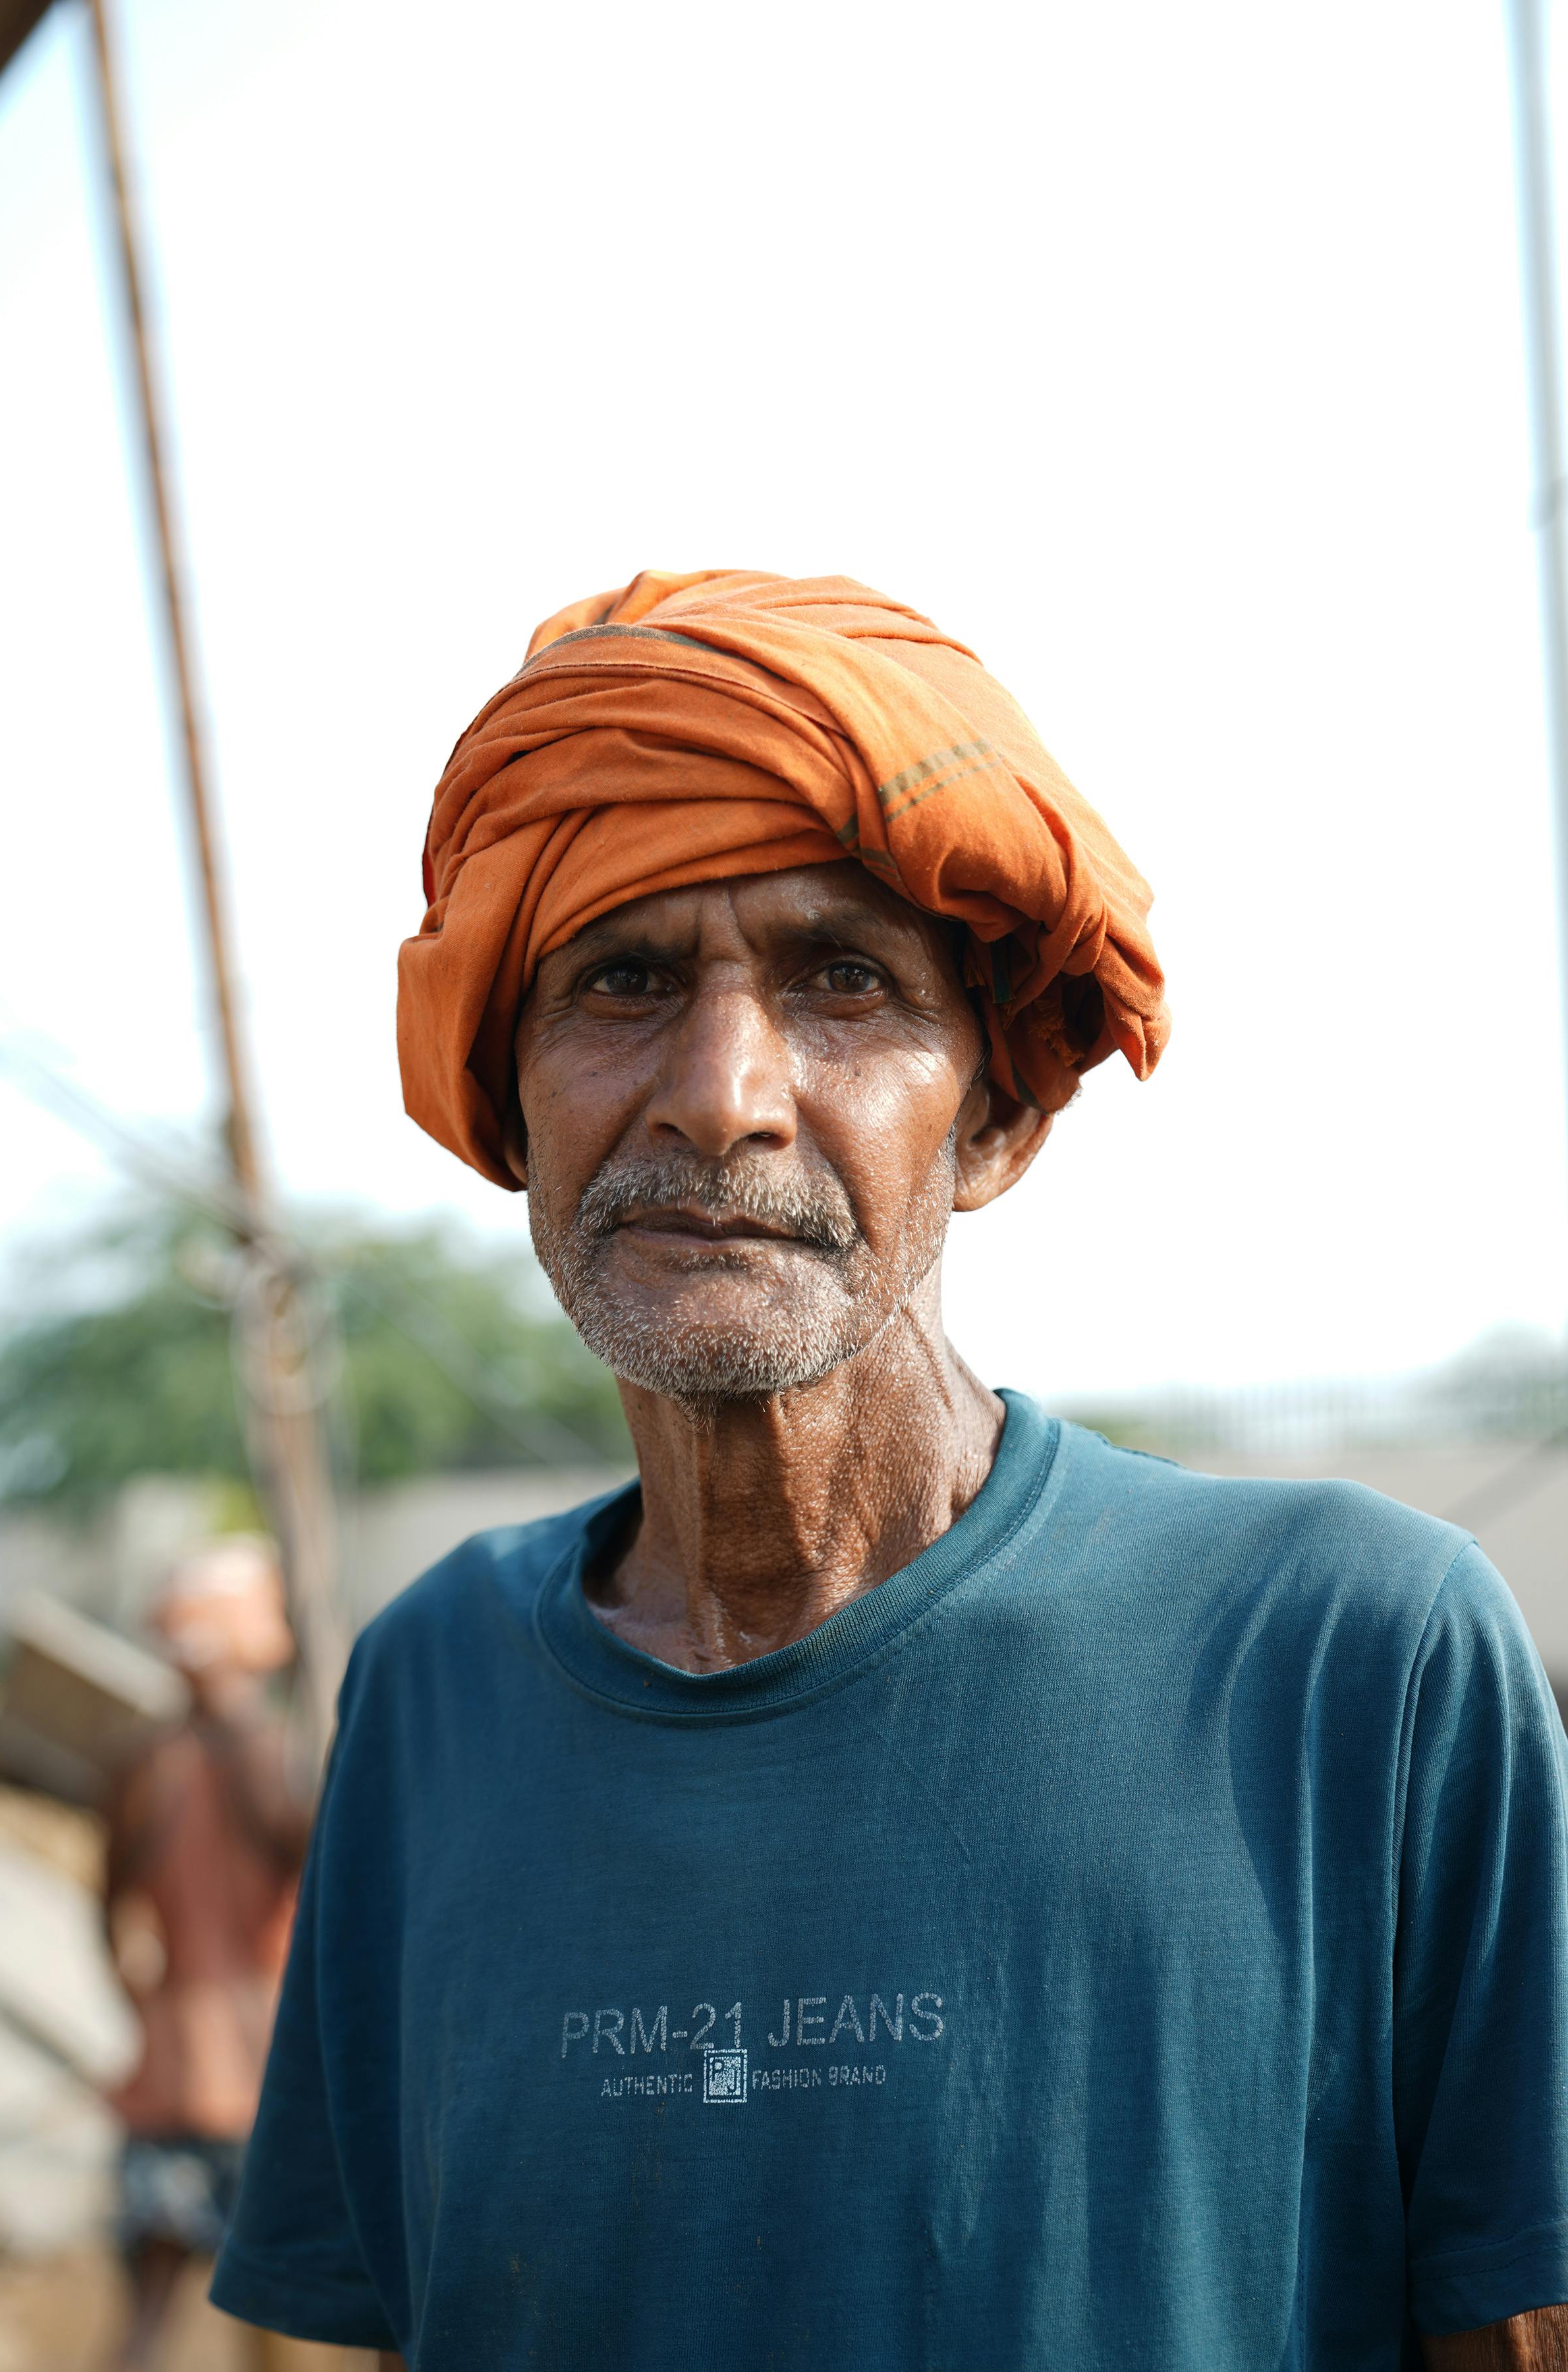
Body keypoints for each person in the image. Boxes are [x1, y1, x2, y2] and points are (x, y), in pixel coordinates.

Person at [211, 571, 1568, 2369]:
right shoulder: (432, 1687)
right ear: (510, 1106)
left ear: (997, 1115)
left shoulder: (1349, 1660)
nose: (724, 1092)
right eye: (622, 980)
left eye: (839, 980)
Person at [105, 1537, 308, 2371]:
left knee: (147, 2327)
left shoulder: (144, 1765)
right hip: (263, 2093)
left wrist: (150, 2019)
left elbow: (111, 1921)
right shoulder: (278, 1759)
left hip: (164, 2084)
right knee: (275, 2335)